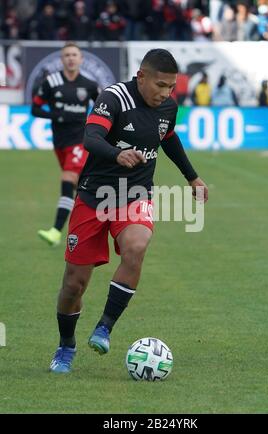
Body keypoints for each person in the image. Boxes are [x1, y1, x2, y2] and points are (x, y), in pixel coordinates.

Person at [48, 48, 208, 374]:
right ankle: (66, 345)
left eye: (171, 87)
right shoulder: (114, 97)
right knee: (73, 285)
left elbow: (169, 138)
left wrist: (192, 177)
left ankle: (104, 327)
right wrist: (116, 154)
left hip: (135, 194)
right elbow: (90, 138)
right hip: (94, 196)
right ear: (142, 77)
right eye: (160, 85)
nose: (165, 93)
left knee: (137, 245)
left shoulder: (167, 107)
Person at [31, 42, 99, 247]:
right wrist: (57, 115)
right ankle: (98, 218)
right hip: (60, 142)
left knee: (68, 178)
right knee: (81, 187)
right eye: (67, 55)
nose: (70, 58)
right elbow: (35, 109)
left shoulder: (89, 85)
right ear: (62, 59)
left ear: (81, 59)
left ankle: (55, 231)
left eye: (74, 55)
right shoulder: (50, 82)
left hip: (80, 140)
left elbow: (103, 107)